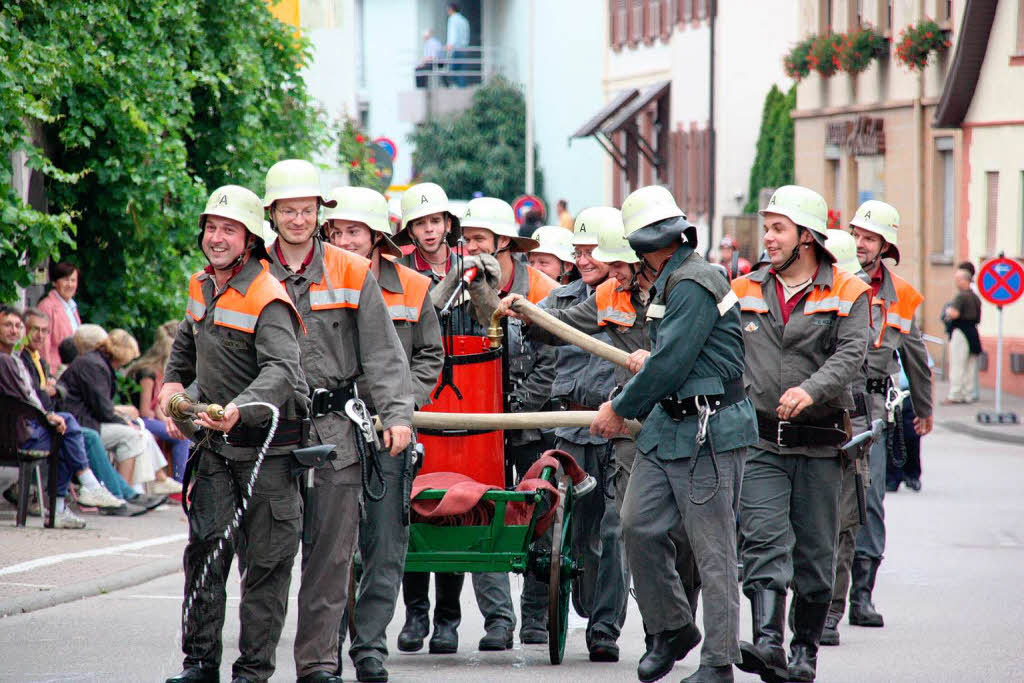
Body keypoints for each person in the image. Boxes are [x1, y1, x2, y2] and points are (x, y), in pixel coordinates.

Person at [579, 186, 756, 683]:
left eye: (623, 259)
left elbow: (672, 362)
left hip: (709, 428)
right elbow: (664, 361)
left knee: (713, 551)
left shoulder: (695, 281)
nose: (617, 271)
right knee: (637, 524)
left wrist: (618, 407)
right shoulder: (666, 282)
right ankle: (673, 627)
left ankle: (718, 664)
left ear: (643, 248)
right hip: (668, 423)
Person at [258, 161, 414, 683]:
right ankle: (254, 663)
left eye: (306, 210)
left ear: (319, 215)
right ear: (272, 213)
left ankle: (318, 665)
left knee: (330, 558)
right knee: (270, 556)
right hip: (272, 432)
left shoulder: (350, 270)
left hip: (336, 435)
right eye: (287, 210)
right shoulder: (252, 269)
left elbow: (385, 354)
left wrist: (397, 416)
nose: (297, 219)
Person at [159, 184, 310, 683]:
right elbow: (183, 354)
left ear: (248, 240)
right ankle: (199, 664)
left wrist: (238, 410)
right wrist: (172, 390)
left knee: (265, 568)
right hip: (215, 452)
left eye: (229, 229)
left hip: (268, 455)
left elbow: (281, 372)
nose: (217, 237)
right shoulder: (201, 286)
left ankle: (252, 672)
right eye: (211, 228)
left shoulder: (268, 295)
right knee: (204, 554)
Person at [731, 185, 870, 683]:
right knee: (763, 541)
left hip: (819, 443)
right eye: (766, 227)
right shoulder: (744, 288)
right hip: (761, 441)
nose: (767, 238)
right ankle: (768, 643)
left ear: (805, 237)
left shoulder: (848, 291)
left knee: (815, 554)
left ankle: (805, 650)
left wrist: (811, 390)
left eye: (777, 229)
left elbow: (852, 354)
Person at [323, 185, 443, 683]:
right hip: (331, 427)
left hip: (389, 431)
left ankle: (370, 646)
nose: (345, 240)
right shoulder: (315, 281)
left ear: (375, 237)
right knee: (330, 546)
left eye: (354, 231)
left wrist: (403, 405)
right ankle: (326, 645)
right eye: (337, 231)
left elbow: (430, 355)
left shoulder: (412, 287)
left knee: (385, 543)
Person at [427, 195, 558, 651]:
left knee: (537, 510)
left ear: (504, 242)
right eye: (468, 240)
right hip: (477, 418)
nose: (473, 248)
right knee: (484, 506)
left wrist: (520, 409)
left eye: (481, 239)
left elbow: (550, 356)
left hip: (526, 418)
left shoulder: (540, 287)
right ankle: (498, 621)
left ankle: (537, 614)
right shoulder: (459, 284)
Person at [505, 207, 629, 659]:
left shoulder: (634, 299)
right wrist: (499, 298)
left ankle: (604, 629)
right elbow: (520, 328)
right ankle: (586, 602)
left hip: (623, 431)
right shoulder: (561, 302)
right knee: (577, 536)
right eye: (578, 250)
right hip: (572, 431)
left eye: (592, 249)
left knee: (617, 531)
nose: (584, 257)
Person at [393, 182, 472, 655]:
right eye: (420, 223)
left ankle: (447, 620)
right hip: (413, 395)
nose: (429, 229)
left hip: (464, 396)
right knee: (412, 505)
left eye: (435, 221)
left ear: (446, 224)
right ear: (410, 229)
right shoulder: (399, 271)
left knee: (455, 506)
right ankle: (415, 614)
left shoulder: (469, 265)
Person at [848, 200, 933, 631]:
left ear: (885, 246)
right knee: (825, 502)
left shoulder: (902, 296)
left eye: (868, 238)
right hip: (832, 404)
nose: (860, 244)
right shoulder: (836, 280)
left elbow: (915, 355)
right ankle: (822, 596)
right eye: (857, 236)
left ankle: (861, 596)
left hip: (874, 411)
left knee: (870, 502)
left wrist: (923, 408)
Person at [0, 306, 124, 527]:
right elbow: (20, 400)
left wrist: (49, 413)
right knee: (67, 431)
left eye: (17, 326)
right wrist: (47, 416)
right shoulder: (7, 361)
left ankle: (75, 497)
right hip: (16, 433)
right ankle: (85, 489)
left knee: (66, 427)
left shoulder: (16, 360)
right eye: (7, 325)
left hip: (23, 427)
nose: (13, 330)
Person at [815, 228, 870, 648]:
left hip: (852, 422)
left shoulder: (861, 304)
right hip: (806, 422)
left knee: (843, 525)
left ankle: (833, 609)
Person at [129, 321, 191, 485]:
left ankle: (181, 482)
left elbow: (158, 406)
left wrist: (172, 423)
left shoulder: (162, 372)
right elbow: (145, 410)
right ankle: (179, 484)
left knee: (183, 430)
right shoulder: (148, 373)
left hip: (152, 419)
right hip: (140, 420)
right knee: (182, 437)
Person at [943, 266, 981, 404]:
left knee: (958, 365)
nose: (956, 282)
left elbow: (955, 313)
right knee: (970, 366)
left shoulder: (961, 296)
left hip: (961, 331)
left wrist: (948, 311)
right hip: (973, 332)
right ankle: (968, 394)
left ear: (964, 280)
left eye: (958, 279)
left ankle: (955, 395)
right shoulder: (975, 297)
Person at [35, 261, 81, 371]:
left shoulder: (72, 307)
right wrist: (47, 374)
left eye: (73, 280)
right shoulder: (47, 307)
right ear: (55, 283)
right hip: (55, 372)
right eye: (65, 280)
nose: (70, 284)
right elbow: (43, 344)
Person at [445, 3, 470, 87]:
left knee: (453, 70)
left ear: (451, 9)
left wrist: (450, 45)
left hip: (456, 48)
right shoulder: (464, 20)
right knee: (461, 71)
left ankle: (458, 87)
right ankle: (462, 88)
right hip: (464, 48)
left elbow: (453, 34)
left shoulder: (453, 19)